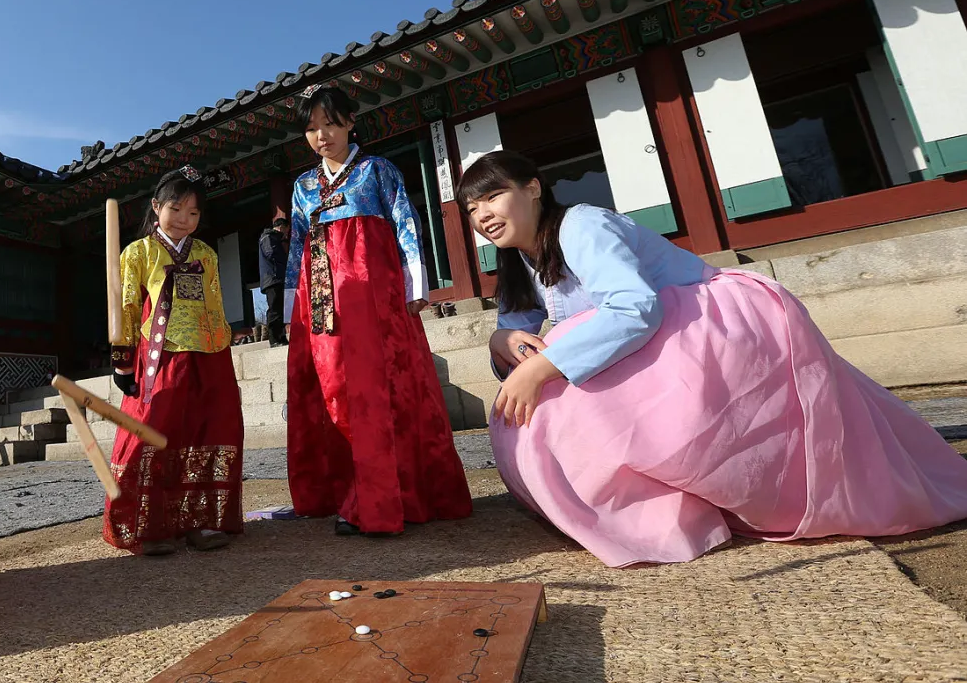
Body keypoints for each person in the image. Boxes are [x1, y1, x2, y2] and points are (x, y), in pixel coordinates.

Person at [459, 150, 967, 568]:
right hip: (655, 336)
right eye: (471, 207)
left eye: (492, 195)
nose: (482, 214)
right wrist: (501, 341)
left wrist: (543, 367)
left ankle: (673, 510)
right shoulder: (518, 261)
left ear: (532, 188)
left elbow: (634, 307)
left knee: (573, 402)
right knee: (543, 399)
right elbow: (520, 332)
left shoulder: (583, 226)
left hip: (707, 322)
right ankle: (658, 509)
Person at [284, 86, 472, 537]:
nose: (320, 136)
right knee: (335, 391)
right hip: (324, 303)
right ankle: (343, 491)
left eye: (328, 123)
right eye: (310, 129)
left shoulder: (375, 171)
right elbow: (295, 249)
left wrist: (416, 285)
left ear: (350, 121)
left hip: (374, 297)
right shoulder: (303, 186)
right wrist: (292, 305)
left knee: (381, 389)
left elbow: (407, 223)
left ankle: (385, 497)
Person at [107, 167, 245, 556]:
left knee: (208, 433)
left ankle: (201, 522)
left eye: (194, 213)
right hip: (160, 359)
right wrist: (122, 361)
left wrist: (223, 352)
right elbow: (126, 308)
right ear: (155, 207)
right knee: (154, 435)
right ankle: (148, 527)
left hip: (209, 356)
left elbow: (216, 305)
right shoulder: (139, 253)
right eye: (176, 209)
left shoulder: (204, 254)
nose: (184, 220)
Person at [258, 215, 290, 347]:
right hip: (273, 278)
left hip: (277, 278)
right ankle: (274, 339)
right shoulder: (268, 237)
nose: (286, 234)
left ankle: (281, 337)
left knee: (280, 309)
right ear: (282, 227)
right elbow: (270, 253)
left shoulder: (273, 238)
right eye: (286, 231)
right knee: (274, 309)